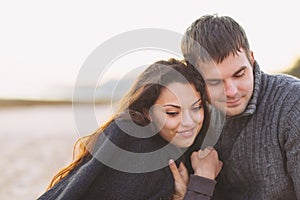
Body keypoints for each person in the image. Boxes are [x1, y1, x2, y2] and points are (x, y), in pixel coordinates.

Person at [38, 59, 222, 200]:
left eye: (197, 107)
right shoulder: (138, 150)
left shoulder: (168, 151)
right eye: (173, 113)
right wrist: (202, 184)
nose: (189, 122)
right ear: (146, 111)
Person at [181, 14, 300, 200]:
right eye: (215, 82)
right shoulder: (187, 118)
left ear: (251, 59)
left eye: (239, 74)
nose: (231, 91)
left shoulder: (292, 103)